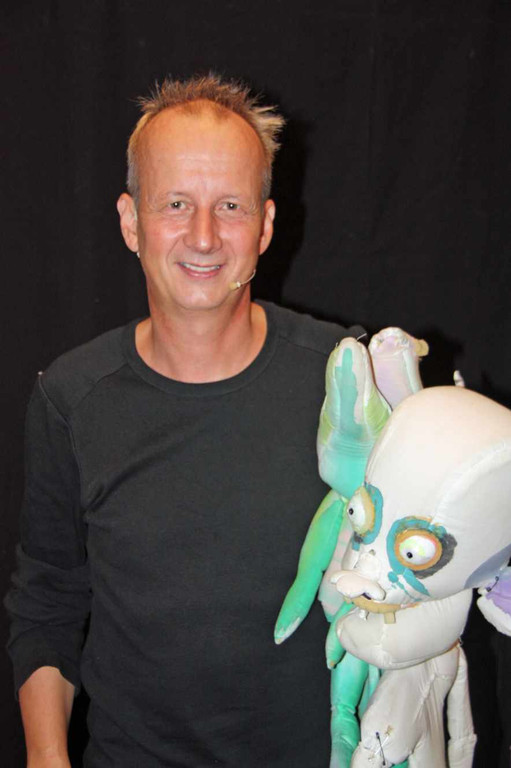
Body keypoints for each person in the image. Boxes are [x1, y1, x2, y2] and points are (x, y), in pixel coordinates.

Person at [6, 74, 364, 767]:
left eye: (230, 205)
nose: (203, 236)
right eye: (175, 204)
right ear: (130, 222)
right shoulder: (72, 397)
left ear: (264, 226)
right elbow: (47, 603)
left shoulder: (348, 380)